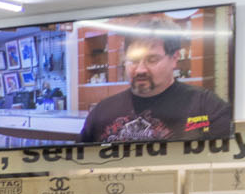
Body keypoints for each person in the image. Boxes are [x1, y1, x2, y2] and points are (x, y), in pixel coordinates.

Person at [81, 15, 231, 142]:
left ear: (174, 58)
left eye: (152, 60)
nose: (140, 70)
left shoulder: (206, 107)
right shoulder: (102, 112)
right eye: (133, 60)